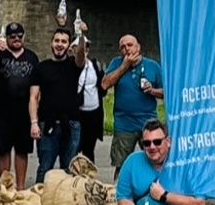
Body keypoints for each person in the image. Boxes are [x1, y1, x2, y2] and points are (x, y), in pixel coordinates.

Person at [0, 22, 40, 190]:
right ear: (7, 38)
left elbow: (36, 87)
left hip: (24, 111)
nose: (17, 39)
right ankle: (5, 186)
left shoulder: (32, 57)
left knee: (22, 150)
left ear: (23, 36)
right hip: (2, 110)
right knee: (3, 149)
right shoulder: (0, 54)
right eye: (12, 37)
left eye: (19, 36)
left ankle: (19, 187)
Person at [30, 26, 89, 182]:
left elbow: (81, 55)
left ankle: (66, 203)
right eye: (56, 40)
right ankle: (40, 201)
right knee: (45, 167)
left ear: (69, 45)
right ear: (51, 43)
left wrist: (81, 35)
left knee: (70, 169)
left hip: (71, 124)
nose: (59, 44)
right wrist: (34, 123)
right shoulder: (40, 68)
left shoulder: (73, 64)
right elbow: (33, 97)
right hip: (47, 124)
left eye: (64, 41)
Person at [101, 34, 164, 178]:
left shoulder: (152, 66)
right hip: (124, 124)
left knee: (156, 160)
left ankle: (157, 193)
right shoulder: (116, 63)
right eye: (122, 47)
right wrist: (124, 66)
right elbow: (105, 84)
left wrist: (152, 90)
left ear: (138, 47)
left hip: (148, 122)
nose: (126, 49)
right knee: (121, 165)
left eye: (129, 45)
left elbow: (166, 92)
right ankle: (119, 195)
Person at [73, 36, 107, 164]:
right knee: (74, 147)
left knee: (89, 149)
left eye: (87, 46)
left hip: (93, 113)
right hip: (77, 113)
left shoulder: (95, 64)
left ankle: (89, 177)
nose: (84, 49)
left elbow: (102, 88)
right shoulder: (71, 65)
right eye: (81, 46)